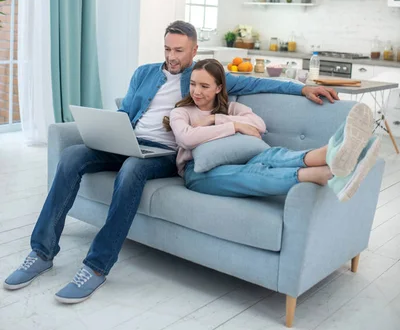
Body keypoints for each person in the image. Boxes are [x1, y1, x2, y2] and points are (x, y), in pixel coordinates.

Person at [4, 21, 339, 303]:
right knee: (73, 154)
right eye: (167, 49)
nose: (171, 56)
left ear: (194, 51)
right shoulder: (144, 73)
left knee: (133, 169)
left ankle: (96, 266)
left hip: (162, 154)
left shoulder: (201, 77)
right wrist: (111, 130)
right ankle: (42, 253)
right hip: (128, 140)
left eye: (179, 50)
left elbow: (257, 82)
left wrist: (302, 88)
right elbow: (128, 113)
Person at [168, 59, 380, 202]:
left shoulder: (231, 109)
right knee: (251, 173)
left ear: (218, 88)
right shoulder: (182, 112)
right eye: (193, 84)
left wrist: (216, 119)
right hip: (198, 173)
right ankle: (328, 170)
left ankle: (333, 154)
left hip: (239, 157)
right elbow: (187, 138)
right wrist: (234, 126)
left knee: (271, 155)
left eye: (204, 86)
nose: (196, 91)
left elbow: (259, 125)